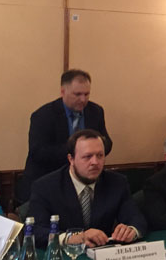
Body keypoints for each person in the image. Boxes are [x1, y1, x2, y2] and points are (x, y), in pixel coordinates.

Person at [29, 129, 146, 248]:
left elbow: (136, 218)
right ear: (71, 159)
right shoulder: (45, 187)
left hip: (103, 253)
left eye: (100, 155)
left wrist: (131, 230)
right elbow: (36, 230)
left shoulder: (117, 182)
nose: (95, 162)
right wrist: (72, 238)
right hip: (65, 255)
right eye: (87, 156)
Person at [19, 69, 113, 204]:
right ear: (63, 92)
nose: (83, 99)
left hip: (86, 181)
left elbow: (107, 143)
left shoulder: (95, 111)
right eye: (77, 94)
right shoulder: (43, 115)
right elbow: (38, 152)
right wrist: (77, 151)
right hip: (49, 181)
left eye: (86, 94)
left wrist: (95, 149)